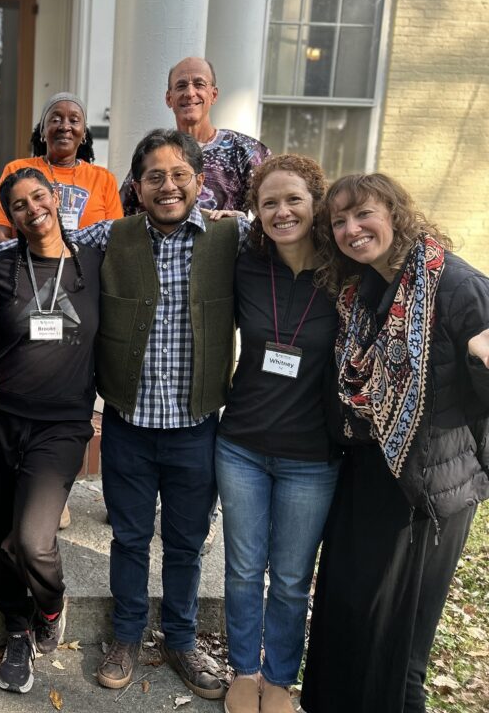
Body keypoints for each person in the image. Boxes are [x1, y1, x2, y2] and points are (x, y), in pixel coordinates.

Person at [300, 173, 489, 713]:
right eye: (339, 221)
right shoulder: (360, 288)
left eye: (364, 214)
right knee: (346, 623)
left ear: (396, 214)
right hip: (365, 479)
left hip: (425, 493)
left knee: (397, 644)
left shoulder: (452, 282)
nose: (352, 229)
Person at [70, 128, 245, 699]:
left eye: (178, 175)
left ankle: (179, 637)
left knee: (187, 543)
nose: (167, 186)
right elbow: (43, 244)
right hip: (128, 425)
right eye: (154, 177)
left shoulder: (231, 236)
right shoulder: (109, 236)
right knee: (128, 537)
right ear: (137, 187)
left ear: (199, 181)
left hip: (197, 428)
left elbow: (301, 230)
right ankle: (125, 635)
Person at [214, 154, 340, 713]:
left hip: (312, 456)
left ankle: (280, 677)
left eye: (294, 200)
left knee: (290, 579)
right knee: (242, 569)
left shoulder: (345, 274)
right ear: (255, 211)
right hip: (241, 443)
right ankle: (244, 669)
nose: (282, 211)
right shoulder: (244, 263)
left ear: (317, 204)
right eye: (269, 202)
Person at [0, 167, 103, 694]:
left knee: (31, 539)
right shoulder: (0, 267)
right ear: (10, 215)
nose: (33, 210)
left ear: (55, 197)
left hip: (62, 423)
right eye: (19, 205)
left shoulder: (96, 262)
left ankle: (50, 607)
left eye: (39, 197)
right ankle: (15, 625)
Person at [121, 58, 269, 216]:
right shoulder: (154, 153)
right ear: (169, 98)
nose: (190, 93)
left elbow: (273, 210)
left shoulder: (246, 151)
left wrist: (241, 222)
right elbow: (120, 213)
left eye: (199, 84)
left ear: (214, 95)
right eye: (181, 86)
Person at [0, 92, 121, 243]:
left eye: (74, 120)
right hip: (28, 264)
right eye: (56, 119)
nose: (65, 126)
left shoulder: (103, 179)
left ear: (84, 133)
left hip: (87, 265)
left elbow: (114, 239)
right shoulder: (17, 170)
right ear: (43, 131)